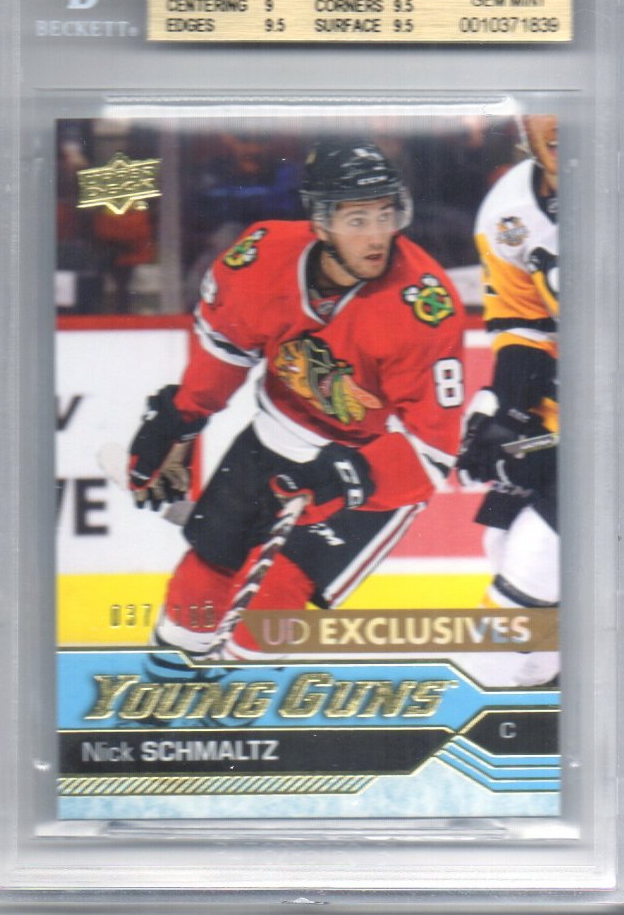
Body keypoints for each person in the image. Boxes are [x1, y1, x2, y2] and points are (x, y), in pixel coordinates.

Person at [128, 139, 465, 664]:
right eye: (357, 220)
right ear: (321, 221)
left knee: (269, 609)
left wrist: (347, 477)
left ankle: (245, 708)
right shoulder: (262, 256)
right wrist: (179, 420)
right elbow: (226, 349)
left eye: (386, 215)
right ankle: (165, 693)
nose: (377, 235)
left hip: (368, 471)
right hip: (271, 438)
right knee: (198, 587)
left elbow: (432, 452)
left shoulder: (423, 307)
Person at [456, 115, 559, 687]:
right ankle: (549, 684)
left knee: (538, 556)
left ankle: (474, 695)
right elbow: (524, 324)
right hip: (576, 404)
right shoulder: (510, 210)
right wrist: (510, 408)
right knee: (504, 539)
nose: (559, 122)